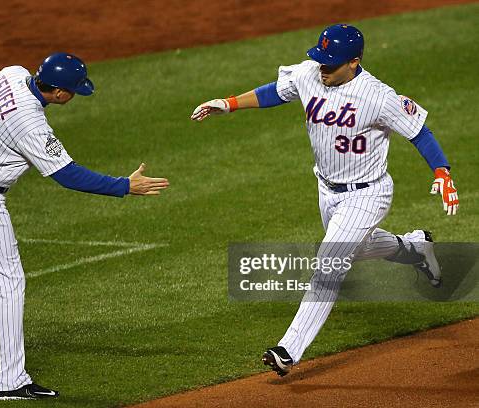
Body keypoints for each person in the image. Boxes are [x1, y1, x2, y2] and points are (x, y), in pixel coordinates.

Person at [0, 52, 169, 400]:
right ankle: (11, 381)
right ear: (61, 93)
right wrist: (125, 186)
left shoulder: (11, 73)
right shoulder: (30, 122)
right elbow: (67, 175)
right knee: (9, 282)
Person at [191, 24, 458, 376]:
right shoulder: (310, 74)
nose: (323, 69)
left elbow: (420, 132)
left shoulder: (378, 96)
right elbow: (276, 91)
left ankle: (289, 348)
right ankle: (415, 248)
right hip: (327, 191)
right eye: (321, 60)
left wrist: (442, 171)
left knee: (328, 263)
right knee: (356, 248)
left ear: (354, 63)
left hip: (368, 193)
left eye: (331, 64)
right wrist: (230, 104)